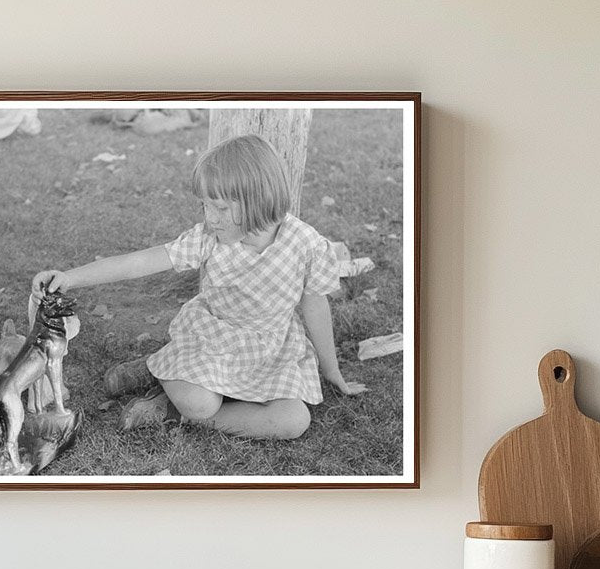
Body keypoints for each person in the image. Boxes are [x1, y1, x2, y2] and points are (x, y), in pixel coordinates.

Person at [31, 133, 366, 439]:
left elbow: (315, 305)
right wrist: (71, 276)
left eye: (219, 208)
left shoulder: (307, 244)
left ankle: (166, 403)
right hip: (212, 338)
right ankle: (169, 382)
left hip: (271, 349)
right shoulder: (209, 239)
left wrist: (332, 371)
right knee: (200, 402)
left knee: (294, 421)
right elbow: (138, 263)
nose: (210, 218)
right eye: (205, 206)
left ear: (258, 199)